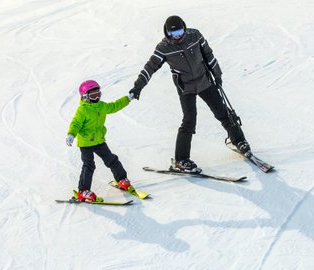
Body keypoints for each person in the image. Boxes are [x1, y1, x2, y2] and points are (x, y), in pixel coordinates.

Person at [129, 15, 251, 173]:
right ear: (167, 33)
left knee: (222, 112)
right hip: (186, 88)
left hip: (205, 82)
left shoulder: (195, 35)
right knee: (189, 121)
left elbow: (209, 55)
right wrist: (138, 86)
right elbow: (150, 67)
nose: (178, 35)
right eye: (173, 33)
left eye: (180, 31)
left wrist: (217, 75)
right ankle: (181, 160)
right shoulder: (164, 48)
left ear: (184, 28)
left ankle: (239, 141)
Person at [66, 80, 134, 202]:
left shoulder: (102, 106)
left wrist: (127, 99)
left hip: (99, 141)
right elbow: (75, 124)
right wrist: (71, 134)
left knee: (112, 160)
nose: (97, 97)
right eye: (93, 95)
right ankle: (83, 191)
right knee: (89, 165)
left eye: (98, 94)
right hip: (86, 143)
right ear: (85, 96)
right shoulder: (83, 110)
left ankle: (122, 180)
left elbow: (114, 106)